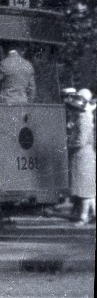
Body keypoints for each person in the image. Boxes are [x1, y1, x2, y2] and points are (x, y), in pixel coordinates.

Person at [66, 88, 96, 226]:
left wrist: (69, 144)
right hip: (85, 155)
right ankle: (93, 214)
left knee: (84, 189)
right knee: (89, 189)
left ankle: (83, 217)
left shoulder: (83, 120)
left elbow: (81, 141)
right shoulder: (84, 118)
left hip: (82, 155)